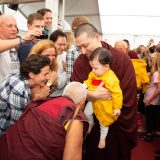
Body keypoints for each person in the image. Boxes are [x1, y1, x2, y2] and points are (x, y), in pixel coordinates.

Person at [71, 23, 137, 160]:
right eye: (79, 47)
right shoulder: (81, 61)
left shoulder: (121, 59)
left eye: (85, 45)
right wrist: (91, 95)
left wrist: (112, 109)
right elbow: (74, 90)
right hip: (93, 125)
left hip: (116, 124)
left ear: (97, 37)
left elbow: (129, 96)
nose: (83, 51)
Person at [0, 82, 89, 160]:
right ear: (82, 101)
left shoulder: (42, 102)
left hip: (5, 149)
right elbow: (72, 158)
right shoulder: (74, 115)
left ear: (63, 94)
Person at [0, 54, 51, 136]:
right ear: (31, 75)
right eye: (45, 74)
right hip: (4, 132)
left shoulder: (19, 77)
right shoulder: (19, 89)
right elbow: (18, 123)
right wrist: (35, 99)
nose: (48, 77)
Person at [84, 47, 123, 149]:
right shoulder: (93, 73)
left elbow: (117, 94)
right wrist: (84, 86)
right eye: (91, 67)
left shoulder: (111, 78)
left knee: (104, 122)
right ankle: (91, 123)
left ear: (106, 67)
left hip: (105, 105)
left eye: (95, 68)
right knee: (86, 113)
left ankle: (102, 138)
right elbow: (89, 80)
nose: (93, 70)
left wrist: (117, 108)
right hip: (94, 101)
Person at [0, 14, 42, 83]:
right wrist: (22, 39)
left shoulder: (13, 46)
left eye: (15, 26)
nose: (14, 29)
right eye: (10, 26)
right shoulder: (6, 44)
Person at [140, 53, 160, 142]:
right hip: (152, 99)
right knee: (151, 117)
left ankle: (149, 136)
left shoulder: (156, 73)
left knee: (150, 118)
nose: (149, 61)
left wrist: (150, 99)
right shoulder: (155, 73)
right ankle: (149, 134)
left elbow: (159, 88)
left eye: (151, 60)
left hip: (152, 100)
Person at [66, 16, 90, 82]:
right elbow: (70, 78)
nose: (77, 33)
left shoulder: (93, 46)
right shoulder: (72, 50)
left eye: (80, 30)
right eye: (74, 31)